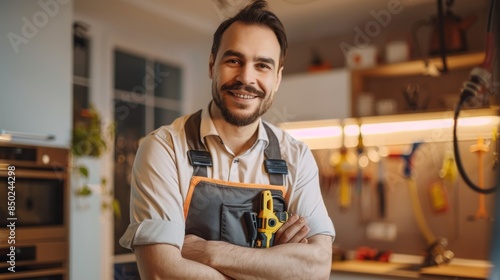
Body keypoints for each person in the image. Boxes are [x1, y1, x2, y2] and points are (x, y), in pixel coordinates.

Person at [119, 1, 335, 279]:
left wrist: (208, 252)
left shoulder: (297, 157)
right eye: (234, 60)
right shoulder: (164, 149)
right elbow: (162, 273)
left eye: (262, 66)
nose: (246, 78)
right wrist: (274, 266)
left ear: (278, 78)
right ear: (212, 65)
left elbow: (316, 269)